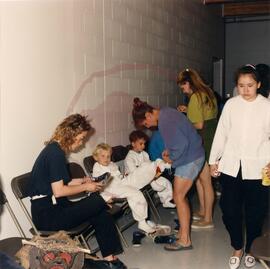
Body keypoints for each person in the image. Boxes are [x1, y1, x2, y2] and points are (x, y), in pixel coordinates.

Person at [28, 114, 126, 269]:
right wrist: (87, 187)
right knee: (97, 200)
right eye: (81, 138)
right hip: (48, 216)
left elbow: (59, 183)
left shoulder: (55, 150)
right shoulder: (55, 154)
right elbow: (59, 191)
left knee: (99, 209)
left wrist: (83, 181)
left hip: (57, 207)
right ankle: (110, 260)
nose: (81, 143)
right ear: (70, 135)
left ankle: (110, 260)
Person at [209, 65, 270, 269]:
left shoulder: (266, 106)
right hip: (231, 166)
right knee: (229, 209)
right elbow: (221, 134)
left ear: (258, 85)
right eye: (241, 85)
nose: (245, 90)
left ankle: (252, 247)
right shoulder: (231, 105)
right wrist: (213, 160)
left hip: (259, 167)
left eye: (250, 85)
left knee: (256, 212)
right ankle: (237, 247)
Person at [132, 97, 205, 251]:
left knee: (179, 197)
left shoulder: (165, 121)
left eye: (146, 124)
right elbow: (180, 140)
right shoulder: (166, 112)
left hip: (190, 159)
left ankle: (185, 240)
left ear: (148, 116)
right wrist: (170, 152)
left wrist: (170, 157)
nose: (148, 127)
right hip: (194, 154)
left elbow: (181, 144)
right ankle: (184, 236)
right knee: (180, 197)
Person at [92, 143, 168, 234]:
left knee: (139, 172)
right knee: (136, 193)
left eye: (108, 156)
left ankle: (158, 166)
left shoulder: (112, 164)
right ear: (96, 157)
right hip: (111, 189)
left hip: (121, 183)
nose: (106, 158)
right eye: (103, 156)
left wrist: (124, 176)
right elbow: (98, 185)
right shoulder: (97, 167)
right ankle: (142, 222)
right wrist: (105, 198)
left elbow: (118, 177)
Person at [177, 68, 216, 229]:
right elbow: (206, 116)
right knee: (200, 179)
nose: (182, 88)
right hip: (211, 137)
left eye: (183, 85)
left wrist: (182, 123)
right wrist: (188, 111)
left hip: (203, 140)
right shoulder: (207, 93)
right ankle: (202, 210)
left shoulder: (194, 98)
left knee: (206, 181)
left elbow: (199, 124)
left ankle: (208, 219)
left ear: (190, 83)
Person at [124, 130, 175, 208]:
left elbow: (150, 165)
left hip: (148, 176)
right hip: (136, 180)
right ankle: (160, 171)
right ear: (133, 144)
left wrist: (155, 173)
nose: (143, 146)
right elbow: (135, 173)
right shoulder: (129, 158)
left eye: (144, 143)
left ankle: (167, 200)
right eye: (141, 144)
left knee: (166, 182)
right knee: (155, 181)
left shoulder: (144, 154)